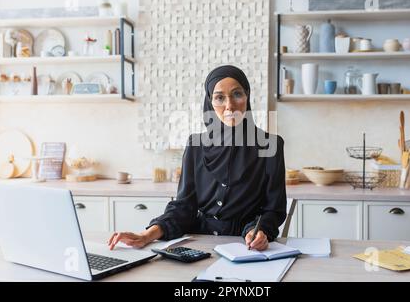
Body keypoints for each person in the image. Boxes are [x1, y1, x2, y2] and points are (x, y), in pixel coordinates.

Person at [108, 65, 286, 251]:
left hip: (244, 246)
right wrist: (147, 235)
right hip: (198, 243)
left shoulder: (270, 145)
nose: (229, 106)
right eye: (219, 98)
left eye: (237, 94)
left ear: (247, 97)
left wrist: (259, 230)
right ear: (210, 102)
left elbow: (274, 210)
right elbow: (184, 206)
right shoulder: (195, 145)